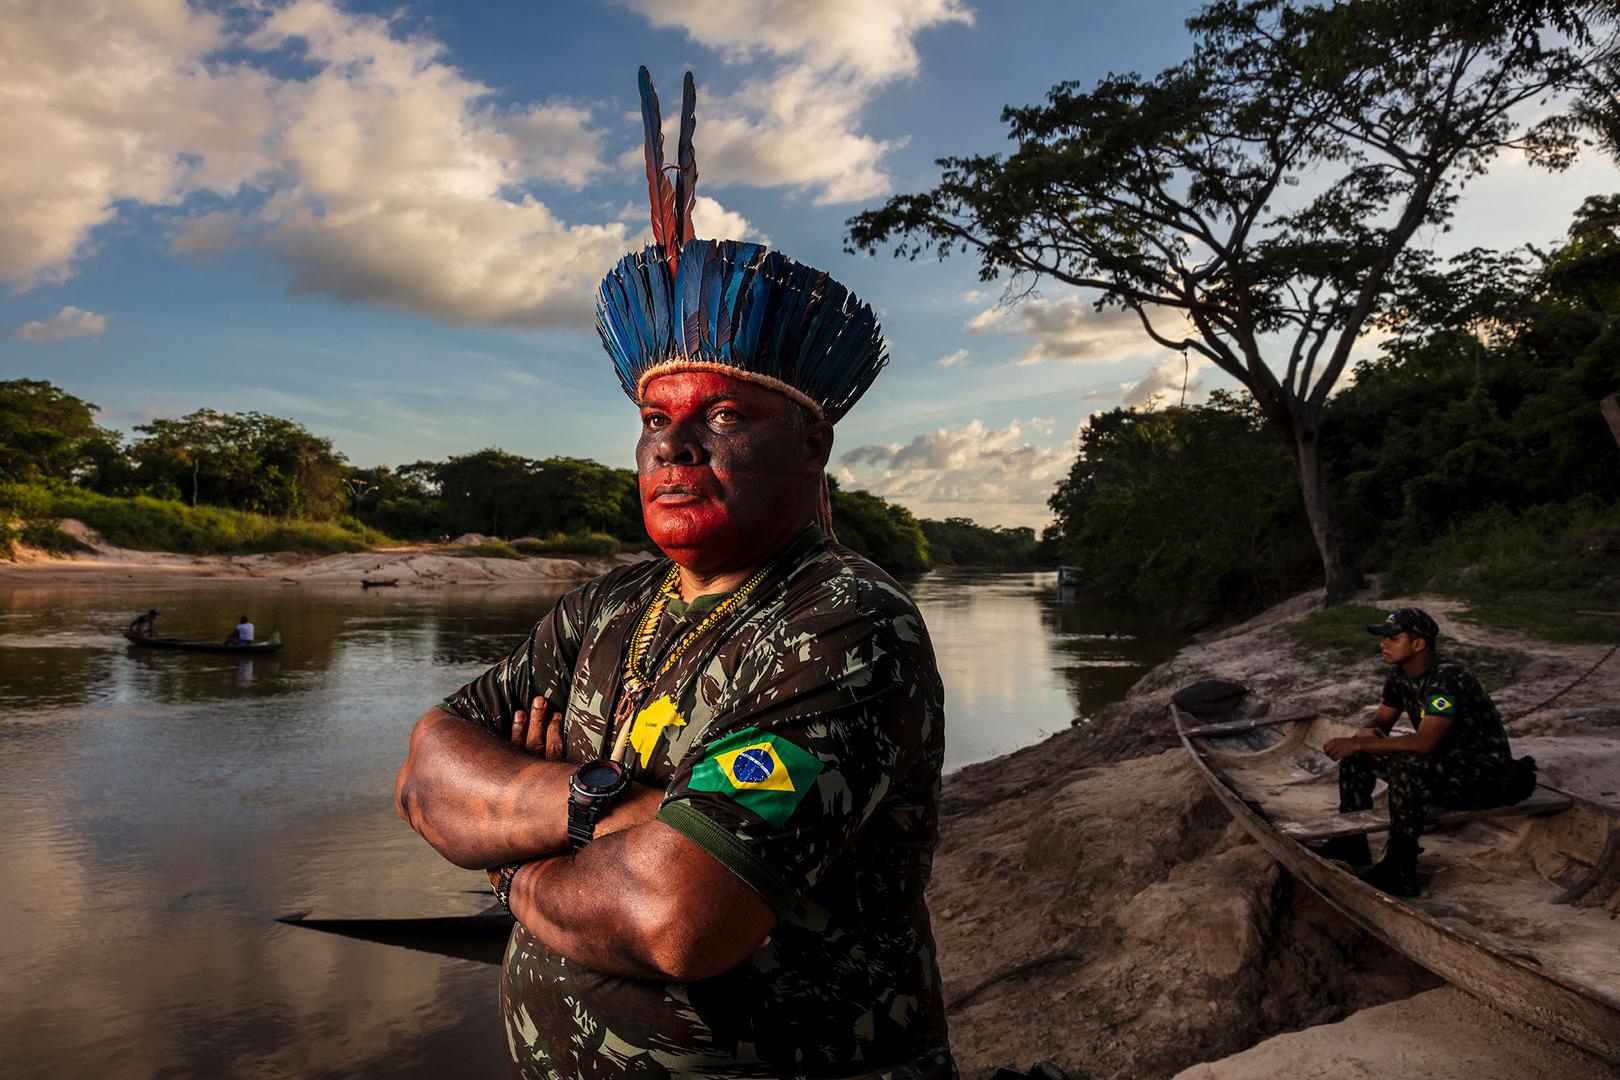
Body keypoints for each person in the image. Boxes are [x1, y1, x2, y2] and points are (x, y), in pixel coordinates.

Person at [394, 68, 955, 1079]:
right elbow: (427, 773)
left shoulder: (843, 623)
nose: (674, 446)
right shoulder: (606, 604)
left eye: (725, 417)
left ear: (813, 446)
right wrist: (599, 807)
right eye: (656, 419)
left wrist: (508, 853)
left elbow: (675, 914)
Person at [1321, 607, 1531, 896]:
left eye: (1393, 639)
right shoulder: (1399, 675)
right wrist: (1365, 734)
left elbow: (1424, 743)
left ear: (1418, 644)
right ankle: (1351, 844)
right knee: (1358, 755)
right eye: (1384, 638)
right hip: (1441, 766)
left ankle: (1400, 869)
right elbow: (1381, 722)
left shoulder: (1447, 678)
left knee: (1404, 762)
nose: (1383, 644)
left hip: (1482, 775)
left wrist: (1359, 742)